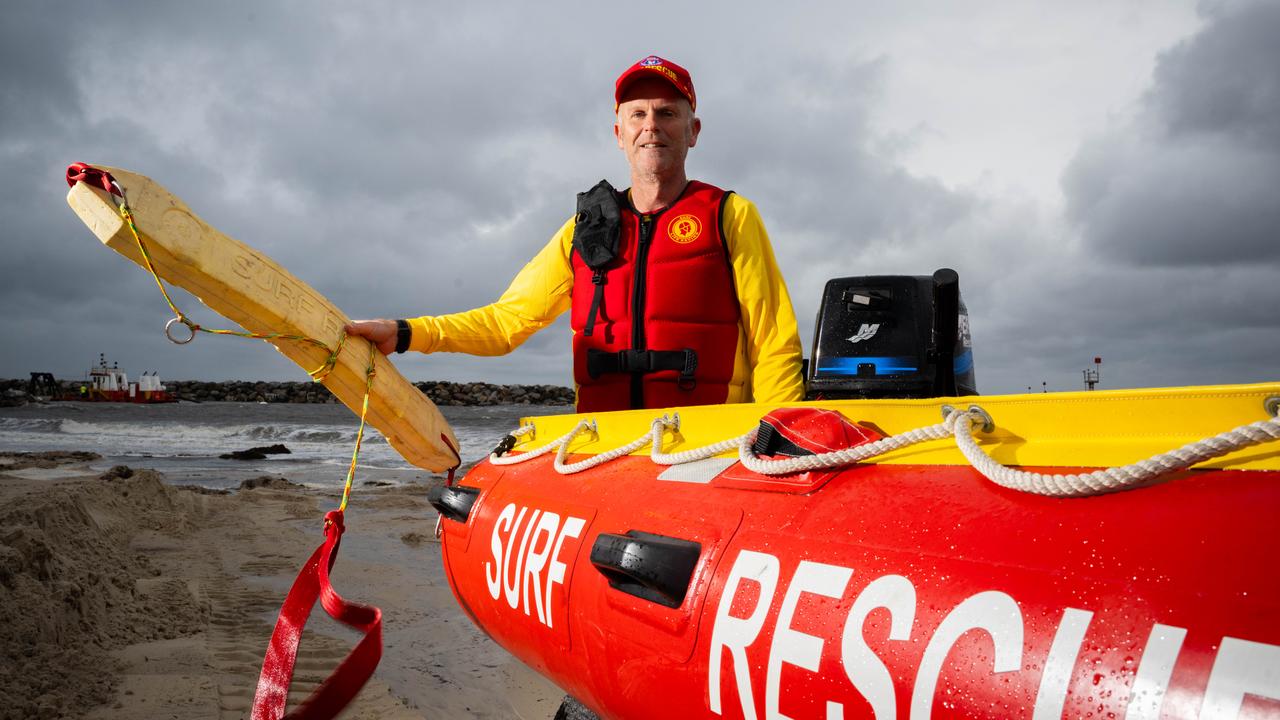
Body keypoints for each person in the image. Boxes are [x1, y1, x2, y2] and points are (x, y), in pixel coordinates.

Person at [348, 55, 804, 413]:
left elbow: (773, 340)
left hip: (707, 440)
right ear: (618, 133)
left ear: (693, 131)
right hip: (607, 440)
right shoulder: (583, 230)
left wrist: (779, 438)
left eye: (667, 113)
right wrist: (404, 332)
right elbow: (507, 323)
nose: (651, 127)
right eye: (637, 114)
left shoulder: (731, 215)